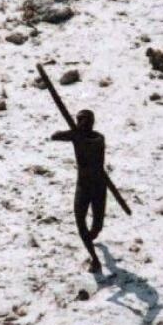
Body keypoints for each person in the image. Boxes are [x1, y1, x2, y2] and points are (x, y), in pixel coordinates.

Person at [50, 109, 107, 272]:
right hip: (95, 185)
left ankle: (90, 240)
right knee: (82, 222)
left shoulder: (94, 139)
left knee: (95, 227)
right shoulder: (96, 137)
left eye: (81, 121)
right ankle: (94, 258)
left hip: (90, 186)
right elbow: (55, 136)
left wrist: (74, 133)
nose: (78, 124)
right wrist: (74, 133)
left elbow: (56, 136)